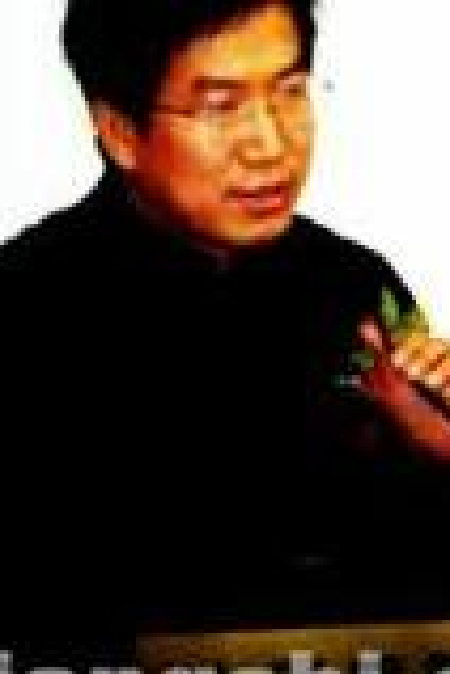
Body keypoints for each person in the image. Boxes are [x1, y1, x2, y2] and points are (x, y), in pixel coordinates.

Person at [0, 0, 449, 659]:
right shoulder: (21, 310)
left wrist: (434, 447)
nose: (270, 144)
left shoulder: (353, 285)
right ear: (119, 130)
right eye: (220, 106)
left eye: (290, 92)